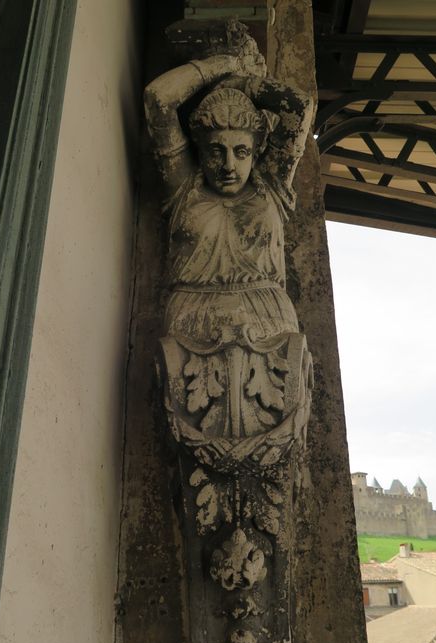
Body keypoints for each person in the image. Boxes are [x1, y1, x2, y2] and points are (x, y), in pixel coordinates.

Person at [144, 50, 313, 444]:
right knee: (194, 437)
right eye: (215, 151)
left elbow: (298, 106)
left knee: (270, 437)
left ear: (256, 153)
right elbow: (158, 99)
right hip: (192, 316)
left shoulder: (271, 185)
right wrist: (222, 66)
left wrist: (244, 84)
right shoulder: (183, 187)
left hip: (268, 316)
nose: (229, 165)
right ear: (198, 152)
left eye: (242, 152)